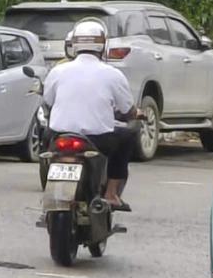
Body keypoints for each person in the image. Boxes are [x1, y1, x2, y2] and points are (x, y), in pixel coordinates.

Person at [40, 18, 139, 211]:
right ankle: (111, 195)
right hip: (98, 140)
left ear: (74, 44)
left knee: (46, 145)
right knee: (128, 136)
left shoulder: (57, 71)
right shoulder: (113, 74)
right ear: (103, 45)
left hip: (58, 136)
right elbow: (128, 110)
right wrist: (135, 114)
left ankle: (49, 188)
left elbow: (48, 101)